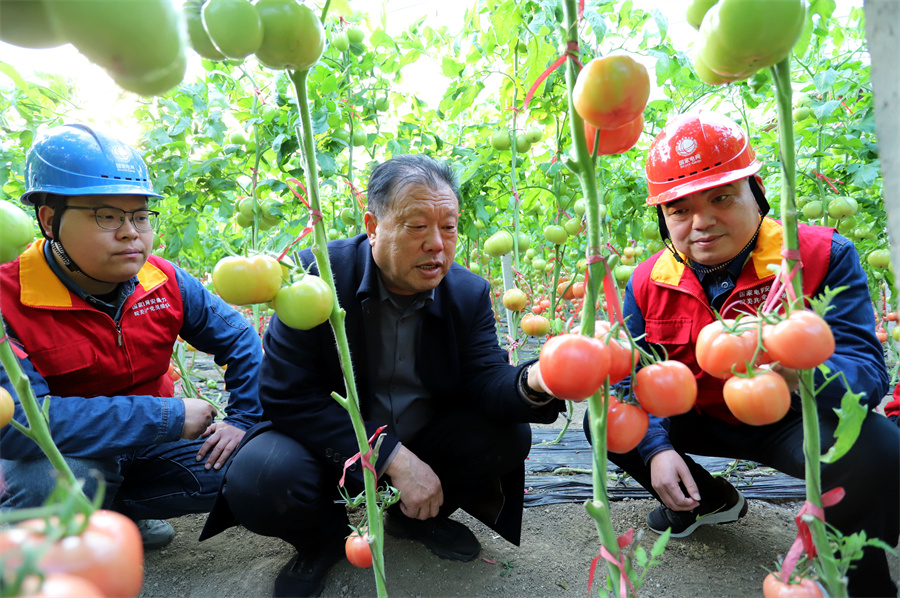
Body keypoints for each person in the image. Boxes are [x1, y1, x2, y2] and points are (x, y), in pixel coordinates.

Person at [199, 154, 564, 597]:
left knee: (509, 435)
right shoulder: (314, 281)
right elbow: (285, 394)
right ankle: (322, 539)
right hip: (330, 451)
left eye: (448, 227)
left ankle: (415, 519)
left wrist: (536, 381)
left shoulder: (467, 294)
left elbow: (485, 379)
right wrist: (391, 455)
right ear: (373, 226)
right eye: (416, 226)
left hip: (425, 439)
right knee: (260, 477)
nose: (437, 243)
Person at [581, 111, 899, 597]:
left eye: (722, 197)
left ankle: (862, 577)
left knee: (877, 446)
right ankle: (708, 500)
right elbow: (632, 379)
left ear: (758, 194)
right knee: (606, 422)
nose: (701, 222)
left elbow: (868, 374)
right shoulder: (649, 279)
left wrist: (800, 371)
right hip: (700, 414)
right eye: (679, 209)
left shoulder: (821, 256)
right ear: (663, 219)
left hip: (795, 417)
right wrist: (657, 450)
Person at [0, 124, 263, 549]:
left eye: (140, 216)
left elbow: (241, 341)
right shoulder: (6, 300)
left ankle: (114, 511)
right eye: (107, 216)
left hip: (149, 443)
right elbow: (19, 423)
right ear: (50, 220)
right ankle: (43, 551)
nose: (130, 233)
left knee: (253, 465)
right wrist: (167, 417)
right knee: (49, 481)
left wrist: (243, 420)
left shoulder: (161, 280)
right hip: (73, 451)